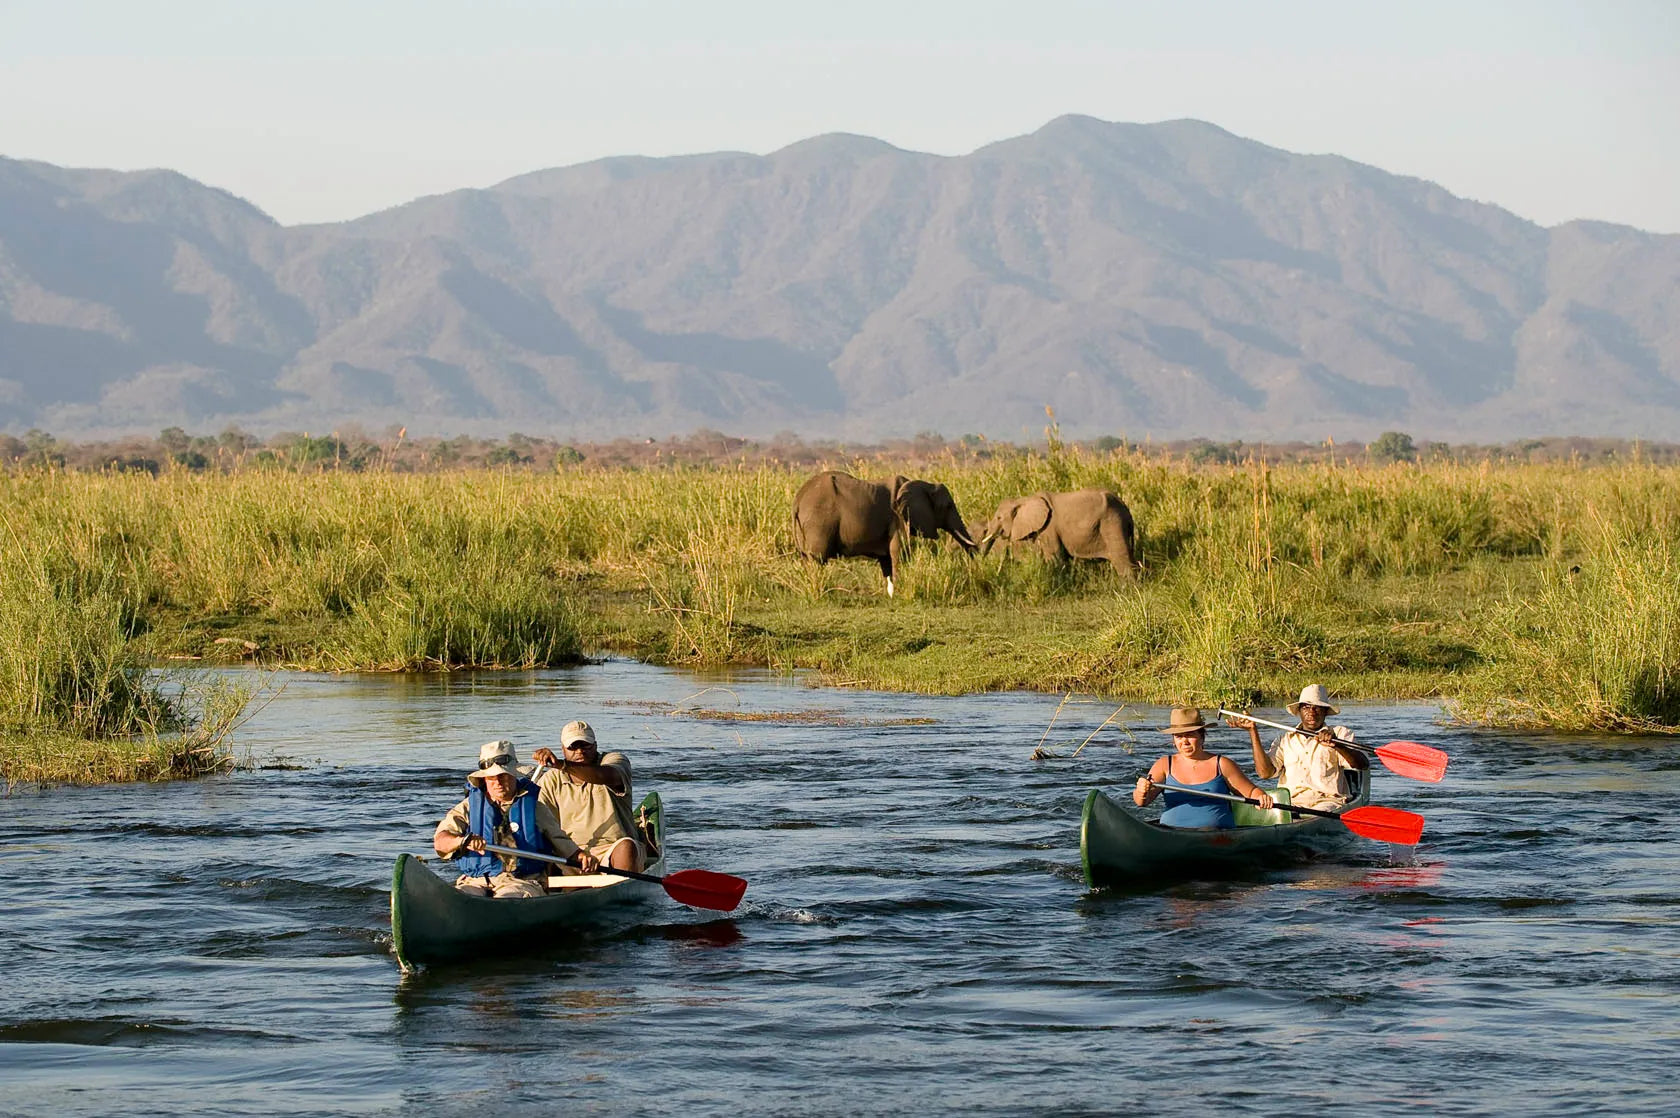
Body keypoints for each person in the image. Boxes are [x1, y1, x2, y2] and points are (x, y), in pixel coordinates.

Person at [433, 740, 599, 898]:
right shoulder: (467, 807)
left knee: (507, 897)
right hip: (477, 880)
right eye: (492, 778)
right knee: (462, 893)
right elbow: (440, 842)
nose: (498, 782)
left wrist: (582, 857)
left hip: (522, 881)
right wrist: (461, 841)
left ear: (513, 774)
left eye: (503, 776)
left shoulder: (536, 808)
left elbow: (562, 843)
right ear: (484, 779)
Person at [1229, 684, 1369, 812]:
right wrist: (1253, 731)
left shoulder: (1340, 734)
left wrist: (1337, 745)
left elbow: (1362, 765)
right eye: (1306, 707)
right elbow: (1265, 773)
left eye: (1317, 708)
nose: (1311, 712)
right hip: (1290, 803)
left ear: (1325, 711)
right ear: (1299, 711)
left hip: (1327, 803)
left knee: (1319, 813)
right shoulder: (1284, 739)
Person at [529, 720, 643, 872]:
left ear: (595, 745)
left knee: (626, 848)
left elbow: (606, 776)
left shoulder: (614, 761)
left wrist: (562, 765)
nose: (580, 751)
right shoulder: (551, 779)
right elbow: (542, 821)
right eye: (573, 747)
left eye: (585, 745)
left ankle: (624, 884)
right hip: (572, 853)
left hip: (611, 848)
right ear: (563, 749)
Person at [1133, 708, 1273, 828]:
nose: (1185, 742)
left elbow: (1251, 792)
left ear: (1201, 736)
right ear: (1173, 740)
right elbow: (1141, 802)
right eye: (1179, 736)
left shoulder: (1222, 764)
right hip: (1171, 833)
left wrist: (1261, 797)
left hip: (1216, 836)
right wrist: (1141, 791)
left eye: (1190, 735)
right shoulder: (1164, 764)